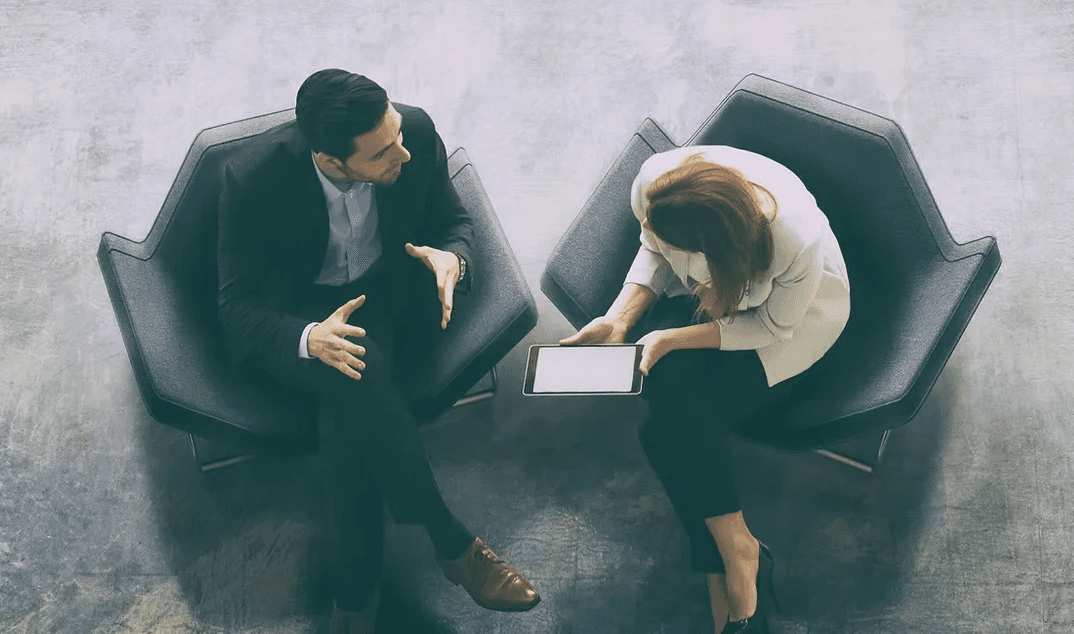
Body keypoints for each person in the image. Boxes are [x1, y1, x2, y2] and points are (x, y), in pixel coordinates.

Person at [217, 69, 540, 634]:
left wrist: (453, 260)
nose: (405, 154)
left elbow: (454, 220)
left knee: (351, 426)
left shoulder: (411, 132)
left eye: (398, 134)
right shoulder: (253, 181)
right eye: (384, 152)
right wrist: (308, 337)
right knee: (353, 382)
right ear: (331, 160)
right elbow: (235, 305)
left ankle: (355, 601)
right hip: (298, 318)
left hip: (381, 298)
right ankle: (451, 543)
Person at [561, 145, 851, 633]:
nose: (654, 233)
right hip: (720, 300)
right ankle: (737, 549)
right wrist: (620, 319)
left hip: (794, 325)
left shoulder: (795, 241)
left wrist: (671, 337)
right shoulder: (654, 183)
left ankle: (728, 561)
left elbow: (773, 328)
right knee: (672, 407)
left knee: (666, 426)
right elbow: (653, 245)